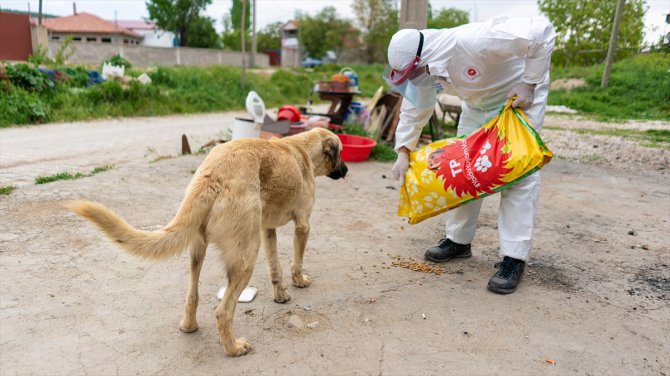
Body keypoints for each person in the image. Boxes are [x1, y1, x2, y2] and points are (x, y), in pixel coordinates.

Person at [385, 16, 555, 294]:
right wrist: (403, 149)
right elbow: (416, 105)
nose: (413, 80)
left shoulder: (475, 40)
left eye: (412, 74)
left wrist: (530, 83)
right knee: (461, 169)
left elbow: (541, 32)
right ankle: (458, 240)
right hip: (477, 106)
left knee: (516, 175)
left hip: (518, 100)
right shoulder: (426, 67)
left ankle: (514, 257)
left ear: (420, 60)